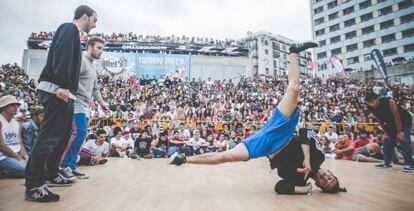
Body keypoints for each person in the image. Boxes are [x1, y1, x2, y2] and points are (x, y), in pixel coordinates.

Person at [168, 42, 317, 167]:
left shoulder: (279, 156)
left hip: (272, 140)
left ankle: (183, 159)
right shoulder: (258, 146)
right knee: (294, 87)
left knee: (225, 157)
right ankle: (293, 51)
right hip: (270, 132)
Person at [25, 5, 97, 202]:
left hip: (65, 92)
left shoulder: (74, 33)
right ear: (85, 16)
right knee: (49, 137)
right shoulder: (69, 29)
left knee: (64, 135)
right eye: (94, 20)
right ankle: (34, 185)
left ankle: (50, 173)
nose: (95, 24)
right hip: (57, 89)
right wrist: (64, 85)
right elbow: (62, 57)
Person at [59, 36, 109, 181]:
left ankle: (72, 167)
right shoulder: (80, 61)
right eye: (99, 48)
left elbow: (95, 89)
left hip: (84, 105)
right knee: (79, 133)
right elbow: (68, 79)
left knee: (81, 137)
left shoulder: (93, 66)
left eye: (102, 49)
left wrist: (102, 103)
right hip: (74, 102)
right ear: (89, 47)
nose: (101, 51)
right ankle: (63, 166)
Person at [271, 128, 347, 194]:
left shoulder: (300, 181)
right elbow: (304, 131)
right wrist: (306, 159)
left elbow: (279, 187)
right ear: (329, 172)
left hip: (267, 147)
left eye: (324, 183)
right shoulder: (319, 156)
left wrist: (305, 189)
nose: (325, 178)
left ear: (317, 184)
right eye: (330, 178)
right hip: (278, 133)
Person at [365, 92, 413, 172]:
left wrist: (399, 132)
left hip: (405, 121)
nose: (371, 104)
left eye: (372, 101)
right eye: (369, 103)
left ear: (377, 99)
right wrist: (386, 133)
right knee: (386, 141)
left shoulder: (389, 102)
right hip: (391, 123)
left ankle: (410, 164)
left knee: (403, 140)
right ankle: (387, 163)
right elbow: (379, 120)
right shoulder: (370, 107)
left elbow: (396, 116)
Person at [0, 96, 27, 178]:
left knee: (36, 166)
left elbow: (20, 143)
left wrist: (25, 157)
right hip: (2, 157)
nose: (16, 107)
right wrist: (19, 159)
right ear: (3, 107)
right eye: (12, 105)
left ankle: (5, 172)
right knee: (27, 170)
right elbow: (1, 146)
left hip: (14, 155)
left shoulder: (16, 123)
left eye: (17, 105)